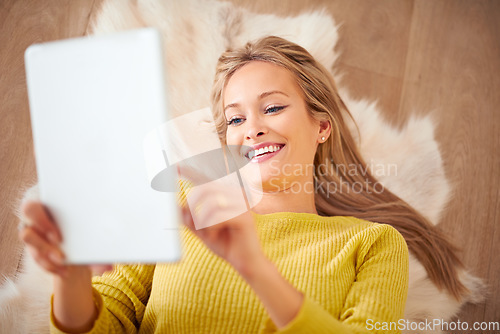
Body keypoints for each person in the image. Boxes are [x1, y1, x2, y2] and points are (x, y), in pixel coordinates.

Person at [19, 36, 467, 334]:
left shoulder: (371, 243)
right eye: (235, 118)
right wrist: (71, 275)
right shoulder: (181, 201)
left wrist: (255, 269)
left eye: (271, 108)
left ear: (322, 126)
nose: (251, 129)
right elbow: (106, 321)